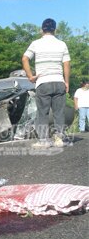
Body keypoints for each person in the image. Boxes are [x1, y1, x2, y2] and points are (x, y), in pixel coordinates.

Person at [22, 18, 71, 148]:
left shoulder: (36, 43)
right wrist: (66, 82)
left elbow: (25, 58)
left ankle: (44, 140)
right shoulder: (62, 44)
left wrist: (30, 76)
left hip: (43, 82)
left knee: (42, 112)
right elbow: (66, 64)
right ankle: (59, 139)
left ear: (41, 30)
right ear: (55, 30)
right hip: (58, 80)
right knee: (59, 112)